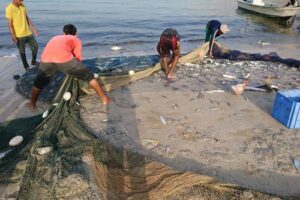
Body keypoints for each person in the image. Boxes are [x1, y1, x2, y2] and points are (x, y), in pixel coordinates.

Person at [30, 24, 109, 108]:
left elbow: (50, 50)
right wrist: (76, 71)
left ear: (63, 33)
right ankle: (104, 99)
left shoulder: (55, 37)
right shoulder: (76, 39)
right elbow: (78, 58)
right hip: (64, 60)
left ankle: (32, 104)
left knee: (38, 84)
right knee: (89, 77)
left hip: (46, 60)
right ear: (75, 33)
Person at [6, 0, 39, 71]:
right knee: (22, 52)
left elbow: (27, 18)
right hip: (19, 35)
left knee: (35, 47)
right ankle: (26, 66)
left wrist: (33, 29)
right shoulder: (9, 8)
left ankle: (33, 61)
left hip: (28, 33)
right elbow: (10, 24)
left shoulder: (22, 6)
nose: (22, 1)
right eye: (20, 0)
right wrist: (13, 35)